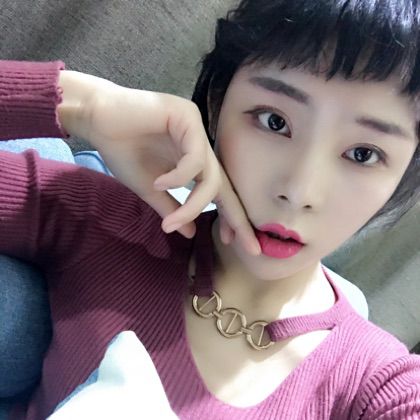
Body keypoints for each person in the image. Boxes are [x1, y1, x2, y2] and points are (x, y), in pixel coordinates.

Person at [1, 0, 420, 418]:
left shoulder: (378, 383)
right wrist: (82, 103)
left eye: (363, 154)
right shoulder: (106, 223)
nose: (298, 192)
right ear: (217, 104)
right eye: (274, 121)